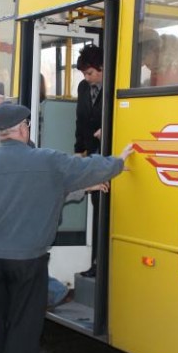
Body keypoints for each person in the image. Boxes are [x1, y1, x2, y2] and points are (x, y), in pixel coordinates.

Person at [0, 103, 133, 353]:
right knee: (24, 329)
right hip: (28, 260)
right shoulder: (47, 161)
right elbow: (89, 168)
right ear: (24, 129)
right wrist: (119, 161)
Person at [74, 44, 104, 278]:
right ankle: (96, 262)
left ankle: (103, 262)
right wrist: (79, 150)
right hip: (92, 156)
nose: (87, 78)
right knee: (96, 207)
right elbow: (80, 121)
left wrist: (109, 130)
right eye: (84, 74)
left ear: (103, 68)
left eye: (90, 73)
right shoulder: (84, 88)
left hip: (109, 156)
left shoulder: (115, 85)